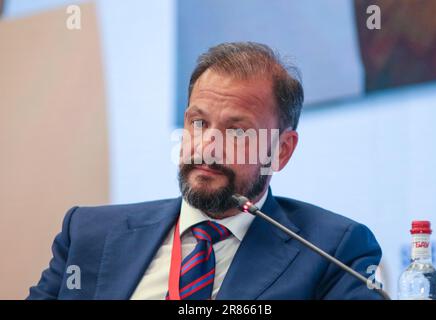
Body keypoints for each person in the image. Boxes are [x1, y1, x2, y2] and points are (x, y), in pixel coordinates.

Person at [28, 42, 382, 300]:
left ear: (281, 150)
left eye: (237, 130)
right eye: (198, 122)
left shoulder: (331, 251)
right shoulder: (89, 234)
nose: (207, 146)